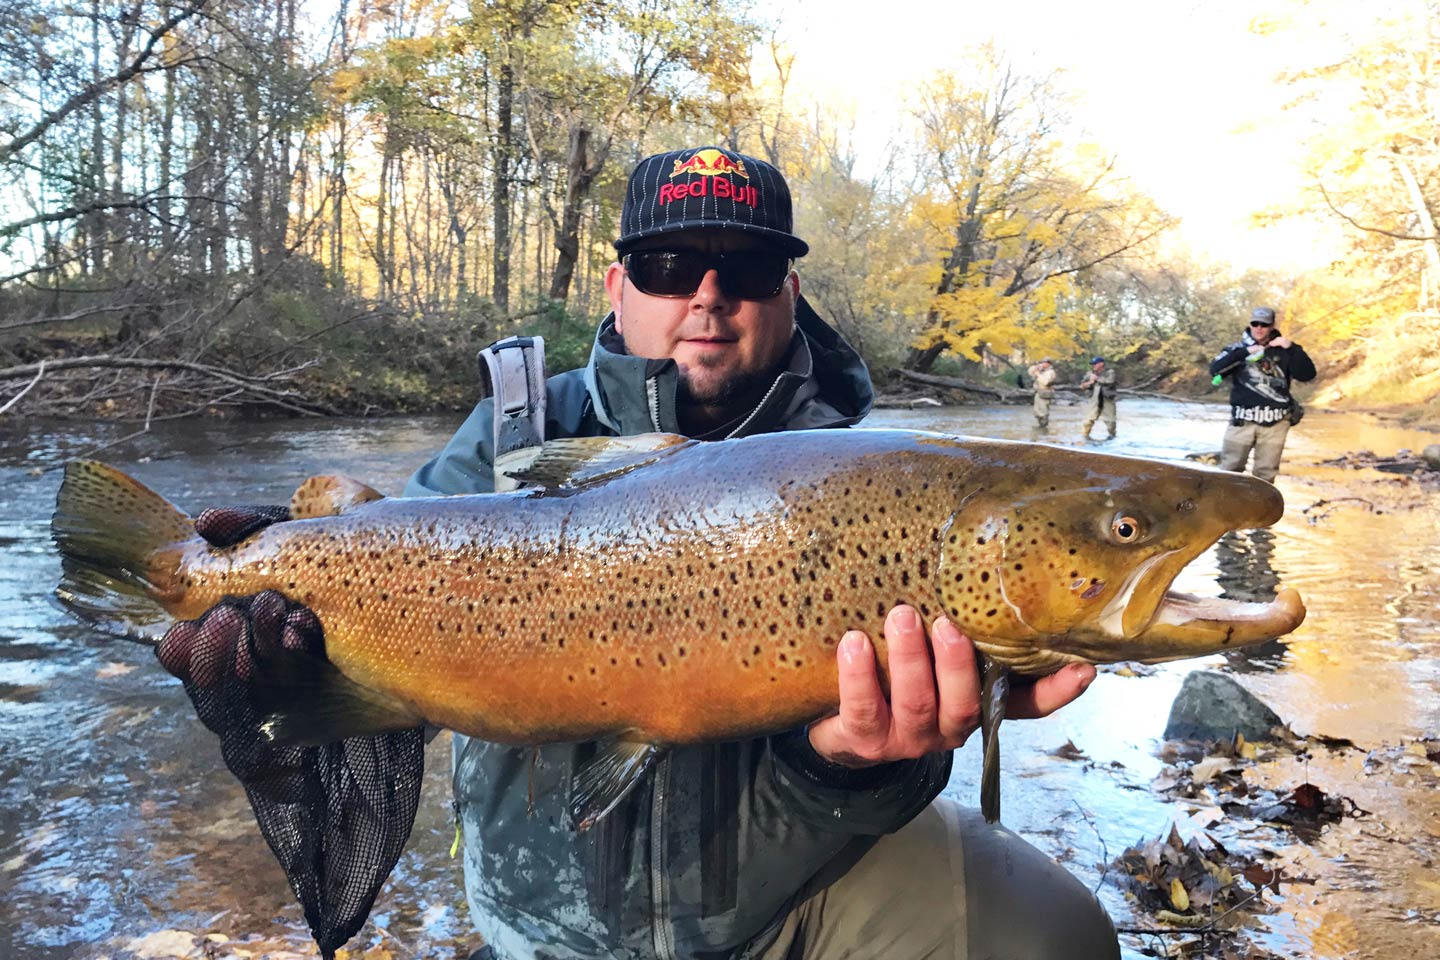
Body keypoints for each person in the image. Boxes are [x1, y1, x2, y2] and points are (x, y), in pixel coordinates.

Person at [157, 146, 1118, 960]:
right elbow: (391, 571)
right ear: (617, 288)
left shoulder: (876, 474)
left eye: (744, 270)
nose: (707, 295)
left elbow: (886, 772)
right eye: (667, 265)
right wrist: (291, 646)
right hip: (549, 914)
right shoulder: (518, 426)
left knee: (1055, 932)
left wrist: (860, 764)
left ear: (789, 293)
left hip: (785, 894)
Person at [1209, 306, 1316, 483]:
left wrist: (1291, 348)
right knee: (1229, 472)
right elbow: (1215, 370)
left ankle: (1259, 510)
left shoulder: (1285, 350)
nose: (1259, 328)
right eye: (1255, 324)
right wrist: (1245, 352)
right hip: (1242, 420)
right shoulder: (1236, 349)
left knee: (1265, 476)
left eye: (1264, 325)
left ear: (1272, 326)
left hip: (1276, 423)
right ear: (1250, 324)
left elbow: (1307, 375)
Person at [1078, 356, 1117, 440]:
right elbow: (1082, 386)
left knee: (1110, 422)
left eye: (1095, 364)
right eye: (1093, 364)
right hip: (1094, 400)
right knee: (1087, 421)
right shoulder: (1089, 373)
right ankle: (1085, 437)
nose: (1093, 366)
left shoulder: (1110, 372)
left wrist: (1097, 379)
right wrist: (1090, 382)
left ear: (1101, 364)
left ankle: (1112, 436)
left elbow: (1110, 381)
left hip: (1107, 399)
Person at [1026, 357, 1057, 429]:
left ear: (1048, 364)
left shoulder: (1051, 372)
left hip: (1045, 393)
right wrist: (1036, 367)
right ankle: (1040, 427)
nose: (1042, 364)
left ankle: (1044, 427)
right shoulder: (1041, 370)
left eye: (1044, 362)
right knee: (1037, 412)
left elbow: (1045, 382)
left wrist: (1038, 374)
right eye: (1041, 362)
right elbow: (1030, 372)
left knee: (1043, 412)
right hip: (1039, 392)